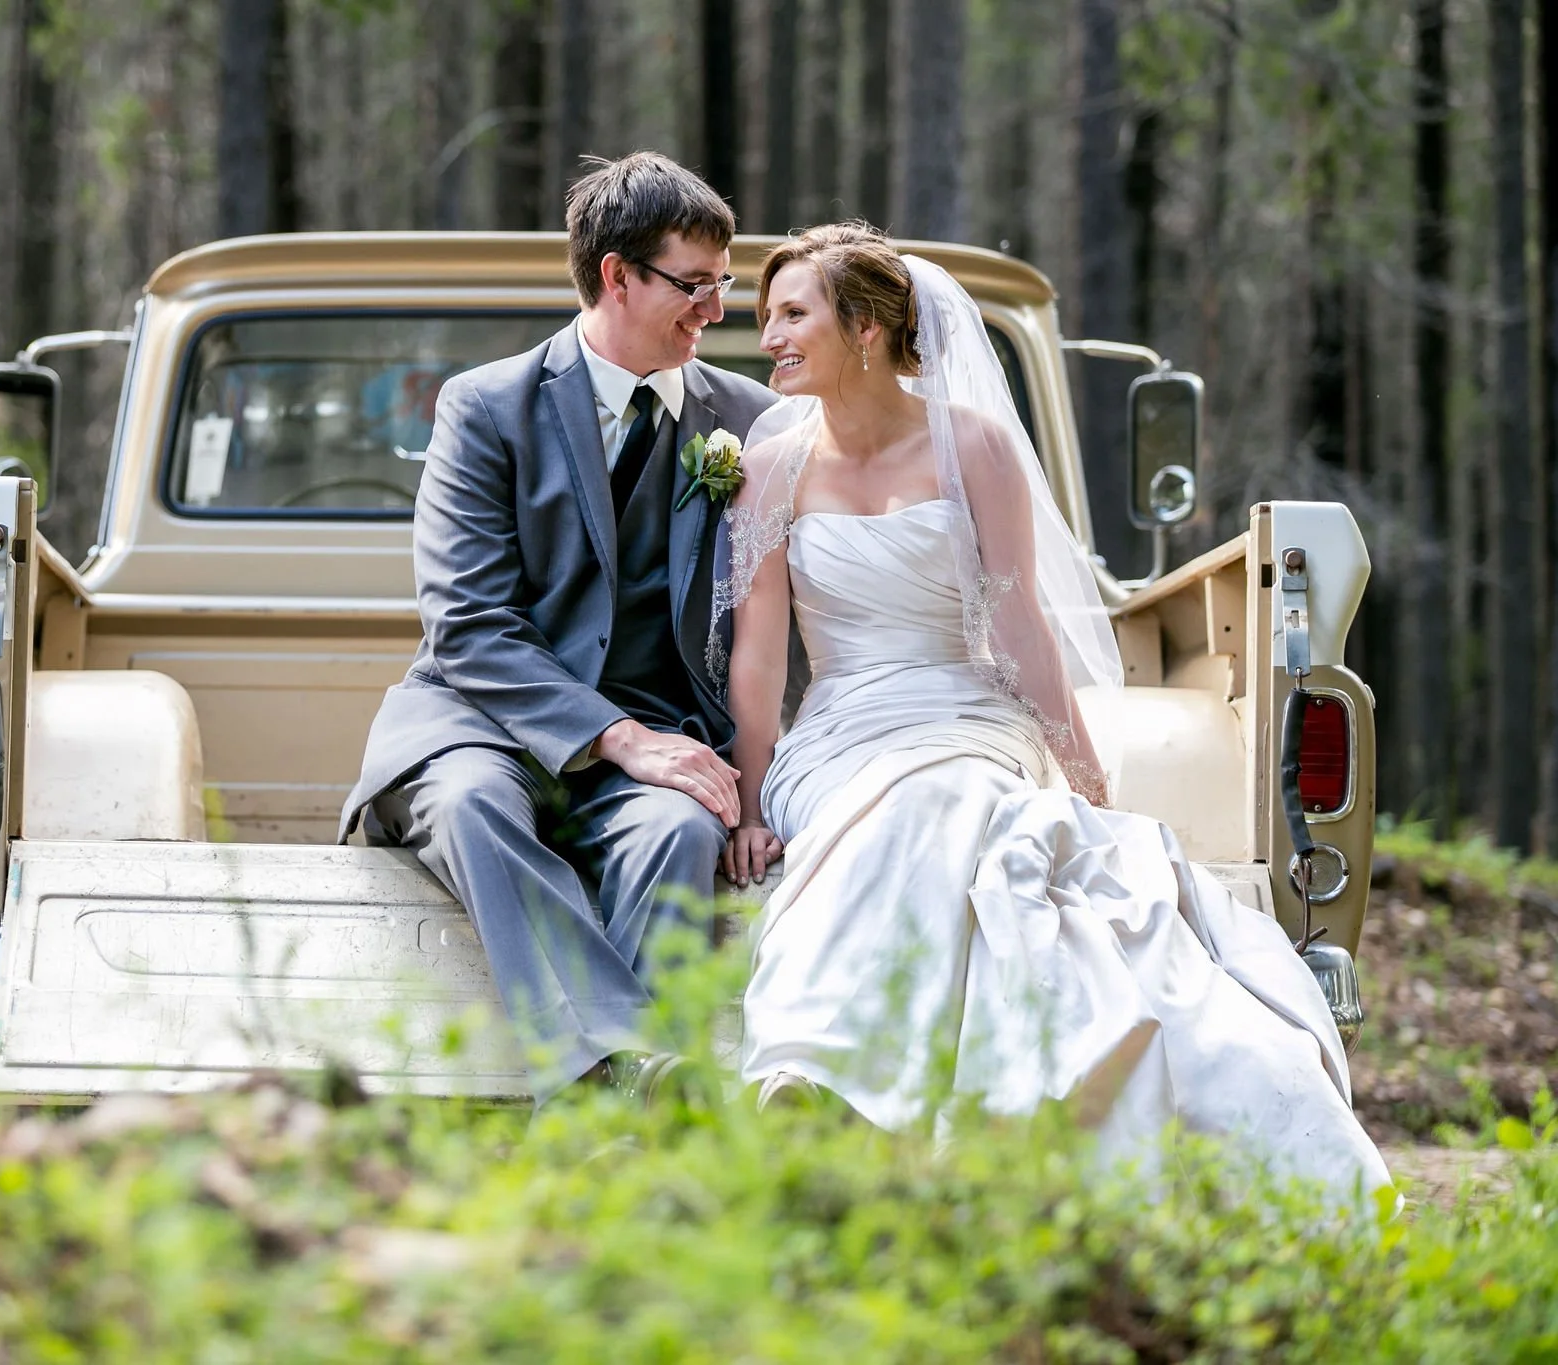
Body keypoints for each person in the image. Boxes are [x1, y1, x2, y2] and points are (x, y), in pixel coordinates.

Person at [719, 223, 1391, 1205]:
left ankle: (846, 1082)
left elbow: (1020, 624)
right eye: (762, 316)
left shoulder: (974, 446)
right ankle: (839, 1082)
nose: (767, 335)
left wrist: (1081, 772)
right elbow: (759, 650)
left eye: (789, 313)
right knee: (909, 810)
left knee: (950, 802)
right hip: (837, 732)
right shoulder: (769, 463)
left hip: (961, 711)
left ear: (861, 327)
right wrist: (746, 804)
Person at [339, 152, 777, 1104]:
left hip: (661, 740)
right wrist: (617, 737)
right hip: (483, 729)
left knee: (677, 827)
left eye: (723, 283)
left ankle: (594, 1116)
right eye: (693, 286)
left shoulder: (751, 420)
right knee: (470, 807)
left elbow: (779, 624)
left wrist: (739, 782)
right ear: (618, 276)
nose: (715, 310)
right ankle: (623, 1082)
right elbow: (469, 622)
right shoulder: (487, 406)